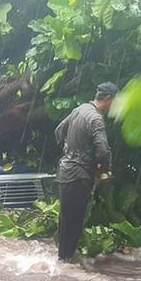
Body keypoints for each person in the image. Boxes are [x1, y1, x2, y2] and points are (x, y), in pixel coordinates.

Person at [54, 82, 118, 261]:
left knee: (65, 220)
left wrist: (69, 152)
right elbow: (103, 150)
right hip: (80, 176)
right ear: (107, 99)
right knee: (75, 222)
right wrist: (103, 169)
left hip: (65, 172)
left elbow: (58, 131)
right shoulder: (96, 119)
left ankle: (62, 261)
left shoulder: (79, 110)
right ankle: (66, 264)